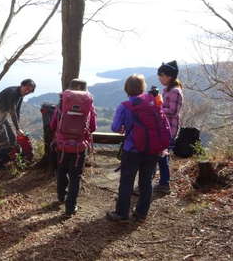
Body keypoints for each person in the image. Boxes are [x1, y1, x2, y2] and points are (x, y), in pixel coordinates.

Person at [106, 74, 170, 223]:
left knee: (126, 182)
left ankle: (122, 214)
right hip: (152, 150)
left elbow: (115, 127)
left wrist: (123, 127)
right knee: (146, 182)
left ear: (126, 88)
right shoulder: (154, 103)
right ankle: (141, 213)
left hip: (132, 149)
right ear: (142, 88)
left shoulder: (124, 106)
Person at [50, 79, 97, 217]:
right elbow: (93, 127)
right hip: (79, 148)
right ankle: (70, 207)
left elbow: (53, 125)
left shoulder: (61, 104)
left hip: (62, 146)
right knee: (76, 176)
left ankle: (61, 196)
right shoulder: (89, 107)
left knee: (61, 171)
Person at [0, 79, 36, 170]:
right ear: (22, 85)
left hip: (2, 117)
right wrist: (17, 128)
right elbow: (12, 111)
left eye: (30, 91)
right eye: (26, 88)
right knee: (3, 140)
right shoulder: (13, 93)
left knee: (12, 138)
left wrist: (18, 128)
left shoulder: (20, 95)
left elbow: (17, 112)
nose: (27, 92)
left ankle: (7, 160)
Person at [153, 60, 184, 194]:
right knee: (158, 155)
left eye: (161, 75)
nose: (159, 78)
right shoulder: (166, 90)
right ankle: (153, 182)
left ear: (169, 76)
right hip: (162, 128)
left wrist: (157, 107)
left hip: (169, 130)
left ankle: (164, 184)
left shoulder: (175, 91)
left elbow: (173, 111)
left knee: (162, 156)